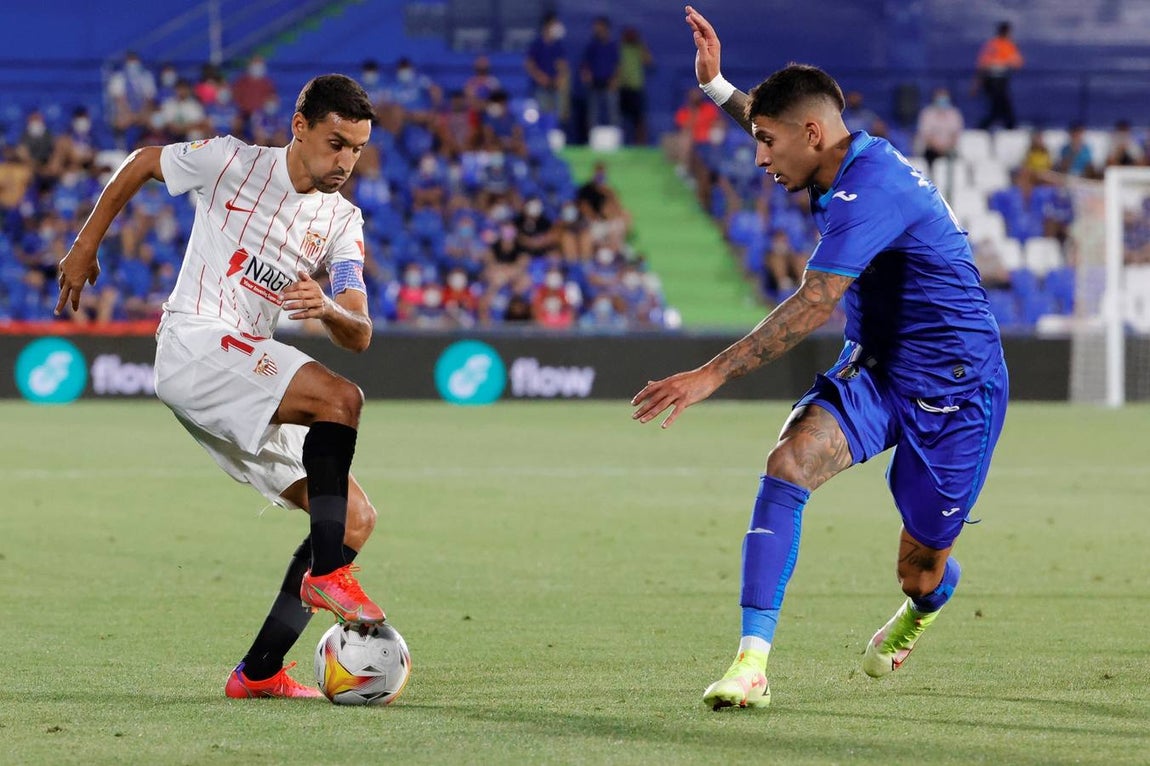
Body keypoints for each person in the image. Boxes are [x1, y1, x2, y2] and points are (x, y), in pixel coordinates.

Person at [632, 6, 1009, 711]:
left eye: (767, 143)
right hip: (879, 370)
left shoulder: (874, 190)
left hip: (958, 389)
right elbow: (778, 123)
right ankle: (751, 663)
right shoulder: (831, 153)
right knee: (789, 462)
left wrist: (710, 374)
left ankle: (924, 606)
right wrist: (717, 87)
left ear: (810, 135)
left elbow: (814, 304)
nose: (760, 158)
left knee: (920, 570)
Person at [55, 74, 387, 699]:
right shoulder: (232, 161)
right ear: (300, 127)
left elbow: (359, 331)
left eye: (357, 149)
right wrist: (85, 245)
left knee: (352, 519)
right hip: (195, 342)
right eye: (336, 143)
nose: (346, 161)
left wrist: (328, 309)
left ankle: (258, 673)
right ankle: (327, 577)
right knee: (340, 400)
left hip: (244, 368)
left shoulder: (343, 221)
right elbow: (143, 161)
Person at [975, 21, 1023, 130]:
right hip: (993, 80)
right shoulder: (999, 45)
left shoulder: (1004, 45)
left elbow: (1018, 63)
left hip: (999, 80)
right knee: (1000, 105)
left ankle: (1007, 125)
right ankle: (1004, 125)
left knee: (1000, 106)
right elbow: (984, 64)